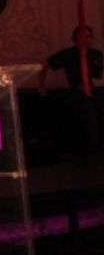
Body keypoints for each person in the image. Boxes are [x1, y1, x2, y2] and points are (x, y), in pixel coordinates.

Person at [38, 25, 102, 157]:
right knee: (86, 112)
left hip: (95, 91)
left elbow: (98, 74)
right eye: (82, 36)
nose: (85, 39)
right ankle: (90, 149)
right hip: (77, 92)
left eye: (88, 36)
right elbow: (45, 64)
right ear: (75, 39)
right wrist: (41, 85)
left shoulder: (97, 54)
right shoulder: (68, 54)